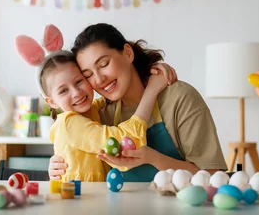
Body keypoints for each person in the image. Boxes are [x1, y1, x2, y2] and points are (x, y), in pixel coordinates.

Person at [48, 23, 228, 182]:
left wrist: (153, 158)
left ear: (127, 53)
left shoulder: (179, 98)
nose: (100, 79)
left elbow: (212, 176)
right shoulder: (103, 113)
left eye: (104, 64)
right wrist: (59, 165)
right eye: (87, 75)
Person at [15, 26, 173, 182]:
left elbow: (112, 93)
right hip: (78, 198)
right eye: (63, 91)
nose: (76, 93)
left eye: (79, 81)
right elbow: (123, 141)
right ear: (51, 101)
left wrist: (147, 71)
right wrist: (151, 90)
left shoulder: (92, 110)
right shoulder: (70, 123)